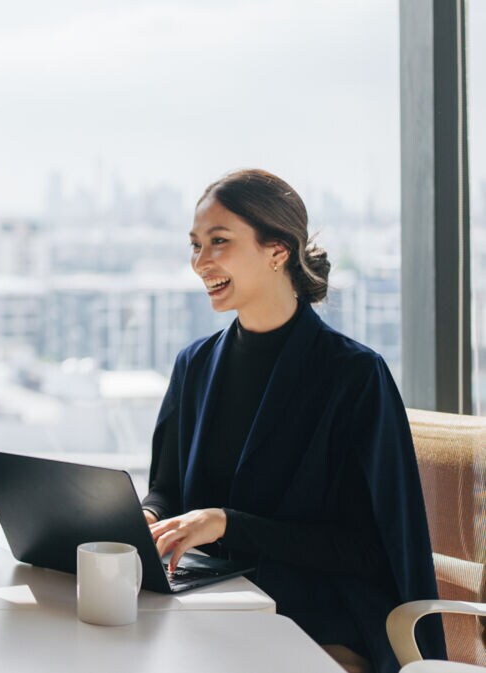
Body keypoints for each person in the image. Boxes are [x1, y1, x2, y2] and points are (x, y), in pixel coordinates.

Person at [141, 169, 444, 673]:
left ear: (277, 250)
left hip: (321, 616)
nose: (200, 262)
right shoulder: (192, 366)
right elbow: (166, 490)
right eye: (195, 245)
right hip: (212, 604)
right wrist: (148, 520)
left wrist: (226, 526)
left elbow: (369, 550)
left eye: (219, 242)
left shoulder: (354, 376)